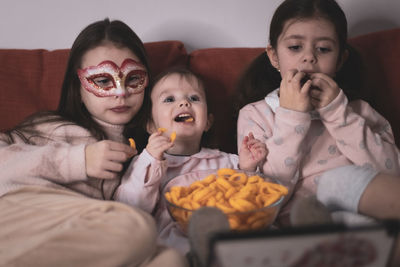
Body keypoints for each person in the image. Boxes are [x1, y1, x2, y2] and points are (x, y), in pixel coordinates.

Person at [0, 19, 187, 267]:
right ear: (77, 87)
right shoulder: (49, 126)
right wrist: (79, 160)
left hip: (85, 233)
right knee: (135, 227)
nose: (121, 93)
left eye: (133, 79)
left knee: (170, 259)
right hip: (22, 208)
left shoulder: (145, 150)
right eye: (102, 81)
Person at [235, 0, 400, 227]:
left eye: (323, 49)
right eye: (295, 47)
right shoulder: (256, 114)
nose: (309, 57)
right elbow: (268, 195)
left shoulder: (358, 111)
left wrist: (338, 114)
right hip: (298, 223)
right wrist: (292, 116)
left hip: (365, 214)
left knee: (338, 181)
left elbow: (391, 174)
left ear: (340, 59)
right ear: (274, 56)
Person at [115, 67, 268, 255]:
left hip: (225, 241)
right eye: (169, 99)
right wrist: (151, 158)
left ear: (208, 122)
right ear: (151, 125)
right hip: (172, 247)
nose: (184, 103)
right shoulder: (145, 163)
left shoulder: (226, 162)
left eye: (194, 98)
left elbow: (252, 201)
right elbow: (131, 206)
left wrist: (248, 168)